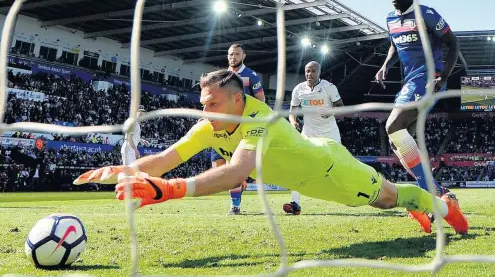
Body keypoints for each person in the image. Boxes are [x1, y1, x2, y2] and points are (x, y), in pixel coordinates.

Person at [74, 70, 468, 236]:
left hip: (331, 169)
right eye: (201, 102)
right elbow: (166, 158)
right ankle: (421, 203)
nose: (202, 109)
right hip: (309, 171)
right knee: (386, 199)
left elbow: (236, 173)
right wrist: (125, 168)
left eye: (210, 103)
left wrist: (168, 190)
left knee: (386, 199)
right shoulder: (209, 123)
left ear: (235, 100)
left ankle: (443, 206)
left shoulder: (260, 120)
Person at [375, 0, 461, 234]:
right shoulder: (391, 19)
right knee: (398, 141)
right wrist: (385, 65)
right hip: (408, 82)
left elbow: (453, 43)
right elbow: (394, 44)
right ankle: (439, 194)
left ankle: (432, 191)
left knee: (392, 125)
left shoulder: (427, 15)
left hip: (427, 80)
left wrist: (443, 77)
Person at [211, 43, 265, 215]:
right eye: (230, 54)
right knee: (217, 168)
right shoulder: (222, 76)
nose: (232, 57)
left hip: (240, 127)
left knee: (230, 166)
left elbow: (261, 100)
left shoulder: (250, 76)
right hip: (222, 125)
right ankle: (240, 182)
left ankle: (235, 207)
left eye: (236, 54)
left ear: (244, 56)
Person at [284, 61, 344, 215]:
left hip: (330, 132)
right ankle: (295, 204)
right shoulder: (299, 89)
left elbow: (340, 106)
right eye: (307, 71)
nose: (309, 74)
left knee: (339, 165)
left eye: (312, 71)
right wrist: (293, 122)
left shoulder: (329, 87)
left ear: (319, 72)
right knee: (297, 164)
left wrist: (330, 112)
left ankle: (350, 193)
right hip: (309, 132)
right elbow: (292, 111)